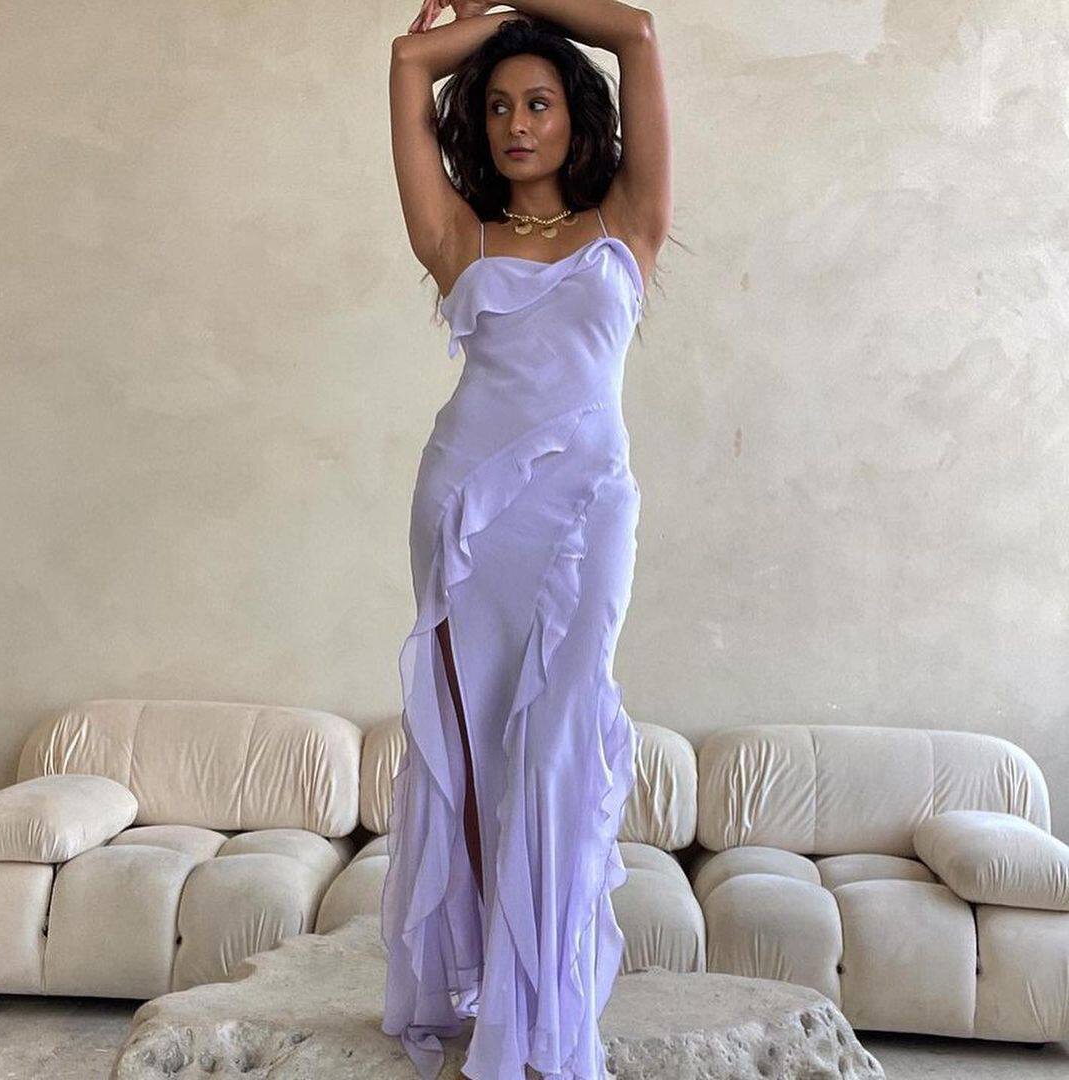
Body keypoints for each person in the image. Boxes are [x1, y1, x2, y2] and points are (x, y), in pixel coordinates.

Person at [382, 2, 671, 1076]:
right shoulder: (457, 236)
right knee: (476, 755)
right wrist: (457, 36)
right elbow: (408, 61)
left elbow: (637, 32)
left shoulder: (626, 221)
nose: (515, 124)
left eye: (538, 103)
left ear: (575, 117)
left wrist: (510, 6)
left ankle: (549, 1016)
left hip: (588, 508)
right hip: (467, 513)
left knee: (557, 745)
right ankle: (499, 1011)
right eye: (498, 106)